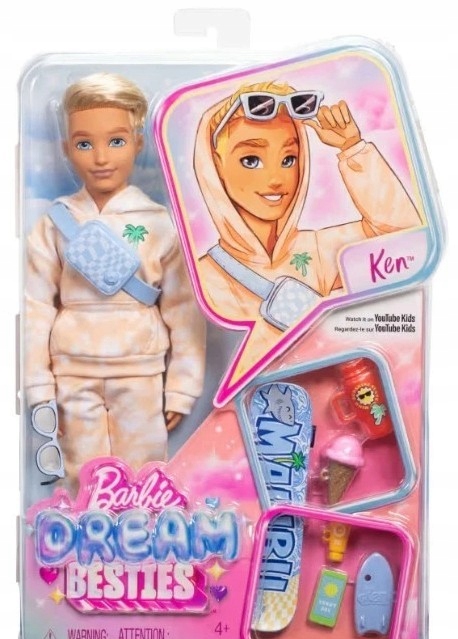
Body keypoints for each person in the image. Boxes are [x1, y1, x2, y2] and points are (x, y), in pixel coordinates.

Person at [25, 72, 206, 488]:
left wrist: (182, 386)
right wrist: (38, 386)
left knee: (144, 469)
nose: (101, 157)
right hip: (72, 367)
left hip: (140, 367)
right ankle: (82, 530)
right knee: (81, 470)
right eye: (84, 144)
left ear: (139, 143)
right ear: (66, 148)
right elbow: (35, 306)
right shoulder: (55, 223)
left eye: (117, 141)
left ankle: (145, 529)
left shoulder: (159, 223)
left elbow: (184, 309)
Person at [194, 81, 421, 355]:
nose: (276, 179)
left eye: (289, 159)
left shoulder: (316, 251)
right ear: (214, 165)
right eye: (251, 160)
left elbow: (406, 243)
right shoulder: (201, 278)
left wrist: (352, 148)